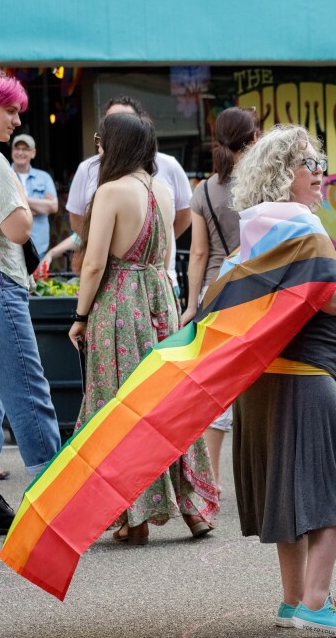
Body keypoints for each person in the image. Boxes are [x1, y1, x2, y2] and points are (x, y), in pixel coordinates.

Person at [230, 124, 336, 636]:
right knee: (333, 495)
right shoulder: (303, 228)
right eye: (309, 164)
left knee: (287, 499)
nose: (320, 173)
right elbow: (334, 298)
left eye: (320, 163)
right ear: (283, 175)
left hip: (263, 382)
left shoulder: (256, 229)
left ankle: (294, 601)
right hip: (304, 377)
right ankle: (316, 603)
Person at [69, 112, 218, 546]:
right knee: (165, 406)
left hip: (121, 302)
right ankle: (191, 508)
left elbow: (95, 262)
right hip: (159, 297)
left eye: (102, 140)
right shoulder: (164, 189)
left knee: (119, 406)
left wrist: (80, 318)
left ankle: (133, 519)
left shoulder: (111, 191)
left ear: (114, 145)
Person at [0, 69, 62, 536]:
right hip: (1, 282)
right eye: (10, 110)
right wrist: (18, 187)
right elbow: (19, 230)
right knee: (29, 393)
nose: (17, 119)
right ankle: (54, 501)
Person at [180, 106, 258, 491]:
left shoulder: (204, 190)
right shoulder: (263, 185)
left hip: (216, 293)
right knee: (260, 382)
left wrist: (192, 304)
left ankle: (210, 480)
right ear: (254, 138)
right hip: (257, 292)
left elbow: (197, 254)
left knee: (218, 389)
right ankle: (262, 475)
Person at [66, 96, 191, 296]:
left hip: (157, 282)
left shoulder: (169, 166)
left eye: (125, 121)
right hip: (109, 283)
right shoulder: (88, 168)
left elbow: (185, 214)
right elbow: (77, 219)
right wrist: (100, 247)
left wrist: (146, 247)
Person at [11, 134, 58, 256]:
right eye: (17, 148)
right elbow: (3, 209)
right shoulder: (5, 176)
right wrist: (41, 204)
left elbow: (53, 206)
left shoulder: (44, 178)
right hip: (11, 247)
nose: (20, 152)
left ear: (33, 153)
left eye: (25, 149)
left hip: (38, 246)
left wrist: (21, 201)